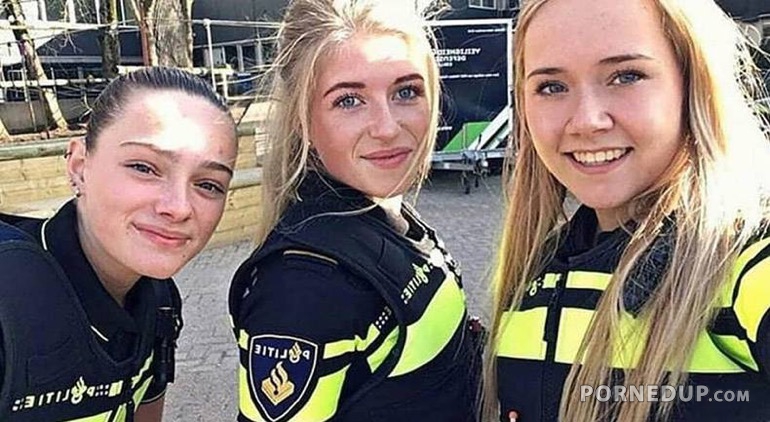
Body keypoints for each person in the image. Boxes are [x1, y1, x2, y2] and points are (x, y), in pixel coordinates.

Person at [486, 0, 770, 421]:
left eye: (626, 76)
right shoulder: (537, 267)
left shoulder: (747, 259)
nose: (587, 120)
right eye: (552, 86)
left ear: (694, 83)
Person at [228, 0, 480, 421]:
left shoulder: (381, 216)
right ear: (303, 121)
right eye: (349, 100)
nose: (387, 127)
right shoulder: (304, 286)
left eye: (406, 92)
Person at [0, 67, 237, 421]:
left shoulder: (159, 302)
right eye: (144, 167)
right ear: (79, 166)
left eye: (208, 185)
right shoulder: (9, 298)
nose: (178, 207)